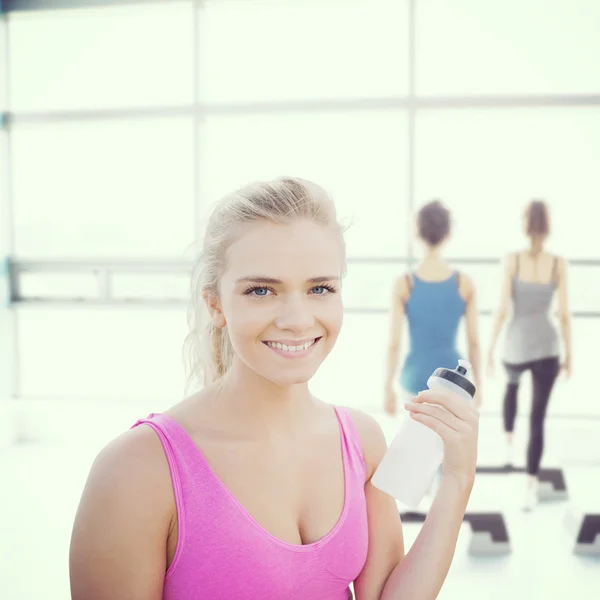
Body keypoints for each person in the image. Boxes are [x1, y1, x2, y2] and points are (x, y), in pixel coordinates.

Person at [69, 178, 479, 600]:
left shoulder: (361, 441)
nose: (297, 320)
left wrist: (457, 479)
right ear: (215, 304)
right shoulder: (135, 471)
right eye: (261, 290)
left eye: (320, 288)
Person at [487, 199, 572, 511]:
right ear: (547, 227)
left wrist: (490, 349)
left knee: (511, 389)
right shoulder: (557, 263)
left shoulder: (513, 261)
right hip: (547, 346)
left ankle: (509, 445)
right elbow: (563, 314)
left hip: (517, 343)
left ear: (525, 225)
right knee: (538, 419)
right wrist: (570, 354)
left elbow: (501, 310)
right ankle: (530, 488)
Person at [384, 200, 482, 419]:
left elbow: (394, 344)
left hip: (414, 379)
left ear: (417, 234)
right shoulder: (463, 283)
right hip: (453, 382)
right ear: (448, 234)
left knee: (416, 447)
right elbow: (474, 342)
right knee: (444, 450)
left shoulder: (404, 283)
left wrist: (387, 387)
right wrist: (480, 387)